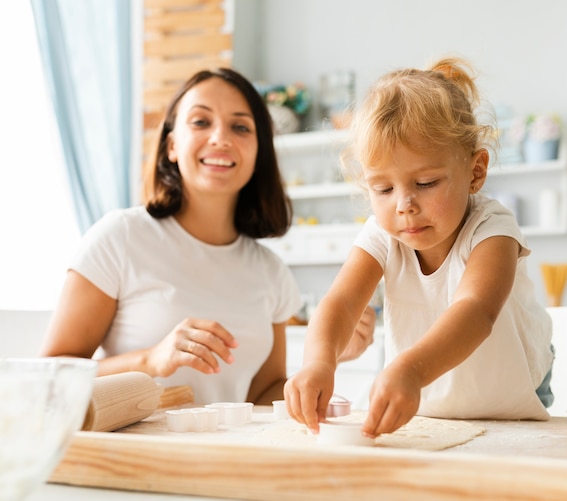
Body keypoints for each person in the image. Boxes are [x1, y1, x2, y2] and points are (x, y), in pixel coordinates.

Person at [39, 67, 374, 406]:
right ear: (171, 145)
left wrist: (327, 357)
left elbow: (260, 396)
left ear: (258, 153)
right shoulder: (120, 238)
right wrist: (150, 360)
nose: (221, 138)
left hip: (223, 457)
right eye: (201, 122)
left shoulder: (271, 273)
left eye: (240, 127)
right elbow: (49, 376)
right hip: (133, 457)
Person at [284, 57, 555, 437]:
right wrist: (317, 362)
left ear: (475, 171)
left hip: (513, 392)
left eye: (426, 182)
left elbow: (475, 312)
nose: (404, 204)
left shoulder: (494, 230)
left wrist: (409, 370)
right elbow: (341, 303)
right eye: (382, 188)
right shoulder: (382, 233)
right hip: (434, 400)